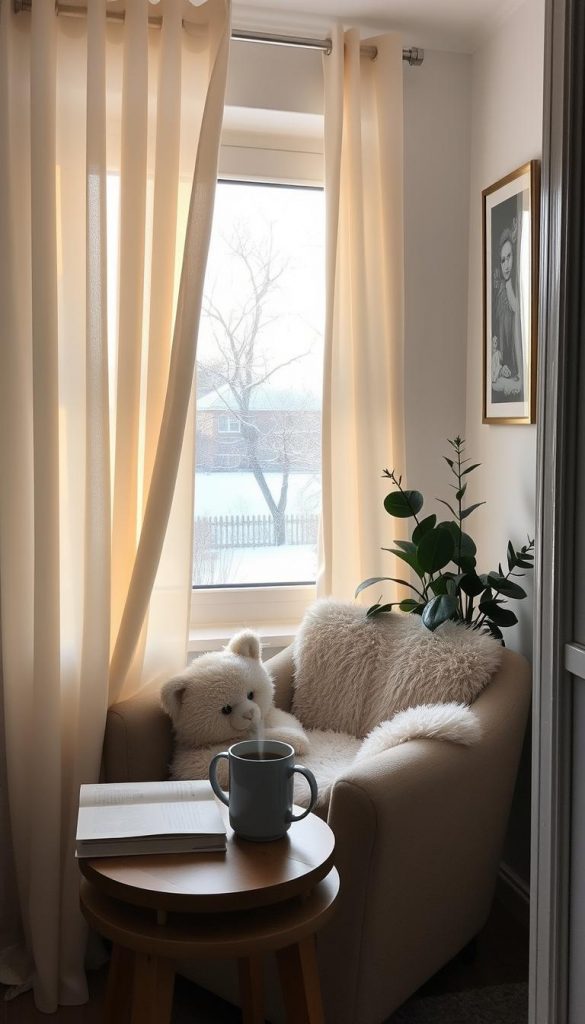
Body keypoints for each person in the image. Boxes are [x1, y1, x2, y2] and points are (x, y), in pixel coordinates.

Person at [492, 226, 523, 399]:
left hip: (516, 365)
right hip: (506, 365)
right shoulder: (500, 294)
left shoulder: (515, 288)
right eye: (503, 260)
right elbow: (498, 333)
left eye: (509, 257)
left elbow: (517, 309)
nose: (506, 265)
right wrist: (501, 365)